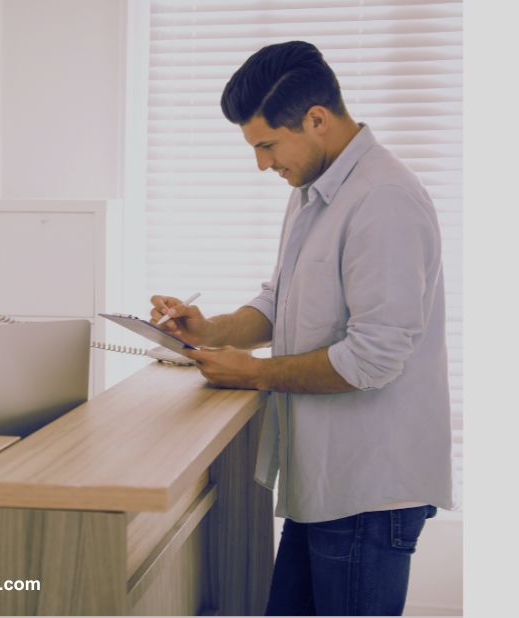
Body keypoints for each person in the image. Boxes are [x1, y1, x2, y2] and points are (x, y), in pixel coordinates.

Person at [150, 41, 453, 616]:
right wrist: (210, 330)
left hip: (368, 492)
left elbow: (373, 358)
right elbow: (278, 301)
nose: (262, 164)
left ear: (316, 119)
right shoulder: (313, 189)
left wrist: (255, 373)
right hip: (323, 485)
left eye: (266, 145)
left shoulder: (384, 199)